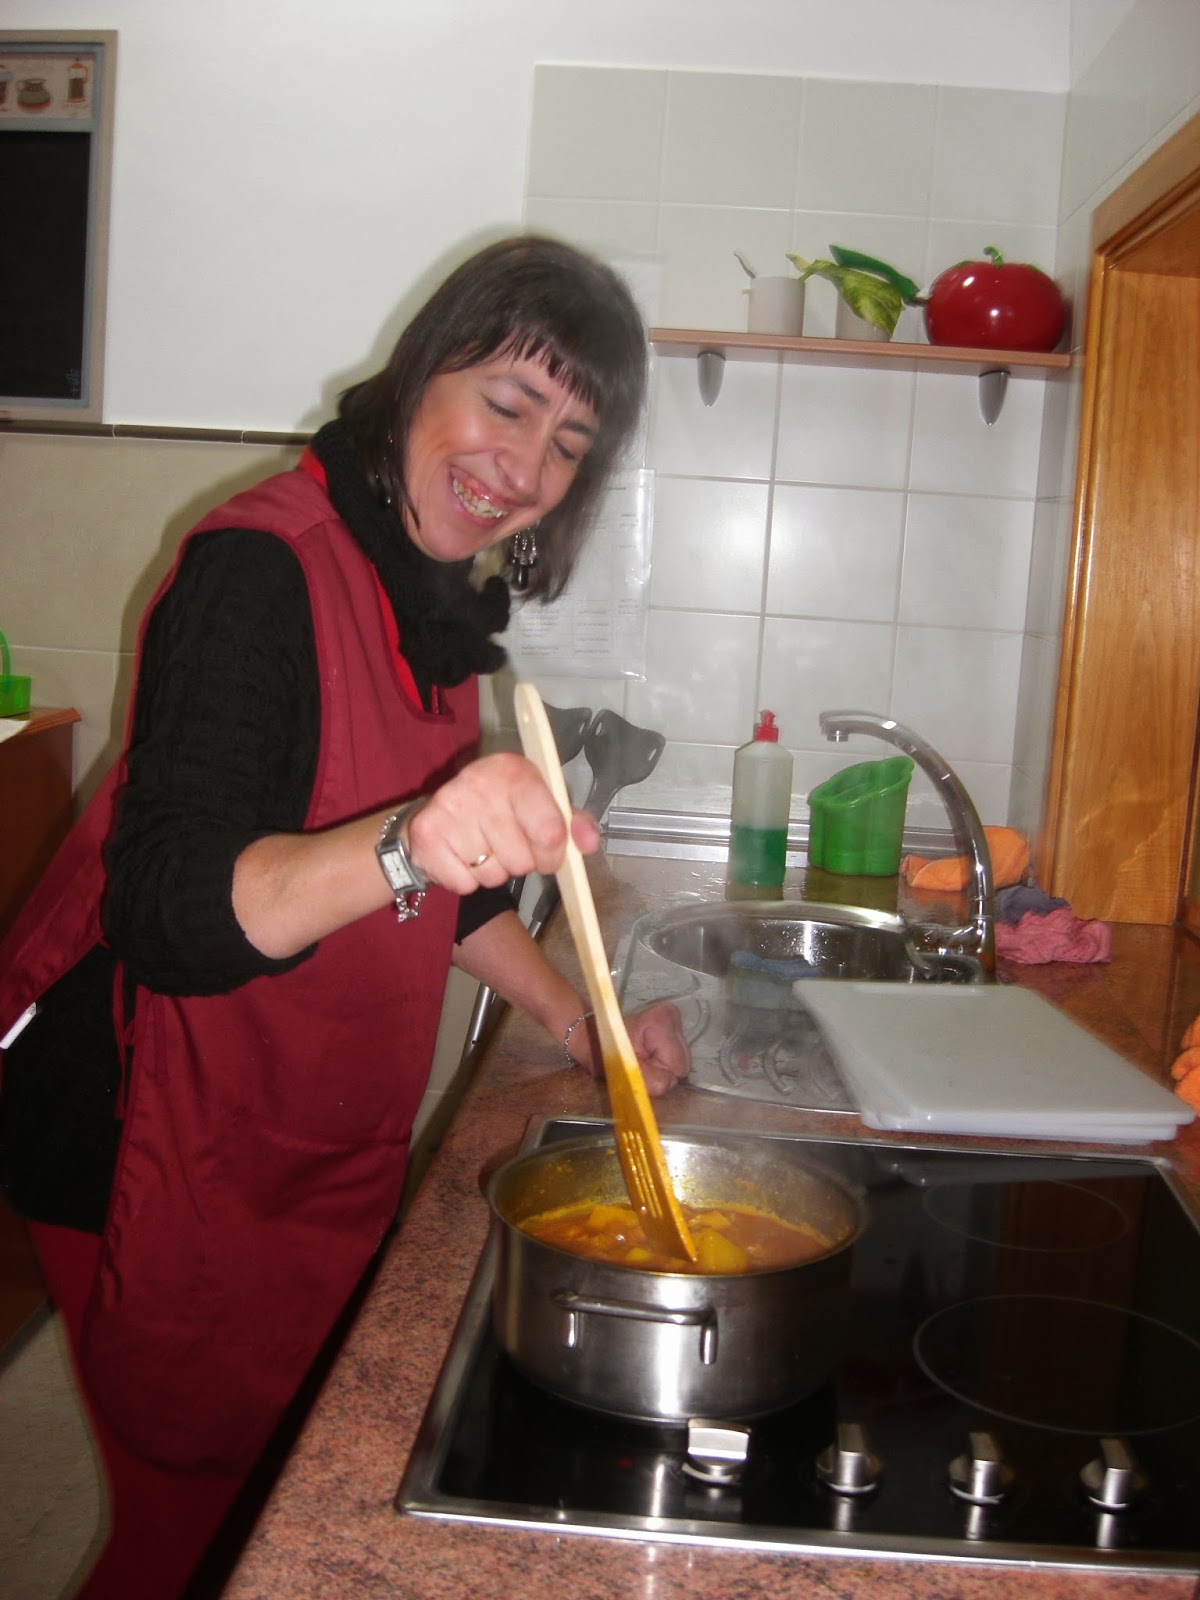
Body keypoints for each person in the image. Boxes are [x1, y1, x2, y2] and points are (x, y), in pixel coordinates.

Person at [0, 234, 689, 1599]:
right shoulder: (258, 568)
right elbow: (170, 909)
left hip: (281, 1118)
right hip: (136, 1111)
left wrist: (581, 1025)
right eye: (507, 404)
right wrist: (406, 842)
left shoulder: (426, 588)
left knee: (262, 1495)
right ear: (424, 370)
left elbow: (452, 881)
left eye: (566, 444)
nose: (523, 468)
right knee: (196, 1534)